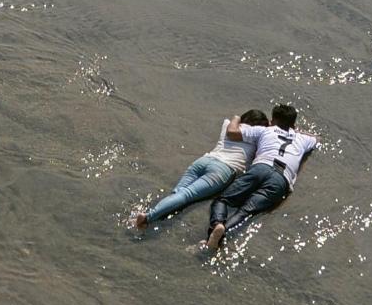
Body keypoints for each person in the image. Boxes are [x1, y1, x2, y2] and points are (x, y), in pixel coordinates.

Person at [128, 106, 270, 235]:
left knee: (178, 192)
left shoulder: (228, 125)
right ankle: (148, 218)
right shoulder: (258, 137)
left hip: (204, 161)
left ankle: (155, 214)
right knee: (187, 196)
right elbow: (270, 136)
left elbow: (232, 119)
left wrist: (237, 118)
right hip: (223, 170)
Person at [207, 103, 319, 252]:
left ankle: (217, 224)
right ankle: (221, 234)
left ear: (273, 120)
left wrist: (236, 118)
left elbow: (232, 132)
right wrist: (295, 131)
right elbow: (317, 138)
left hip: (261, 168)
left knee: (222, 199)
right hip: (281, 179)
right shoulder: (303, 139)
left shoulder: (265, 130)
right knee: (245, 211)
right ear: (293, 123)